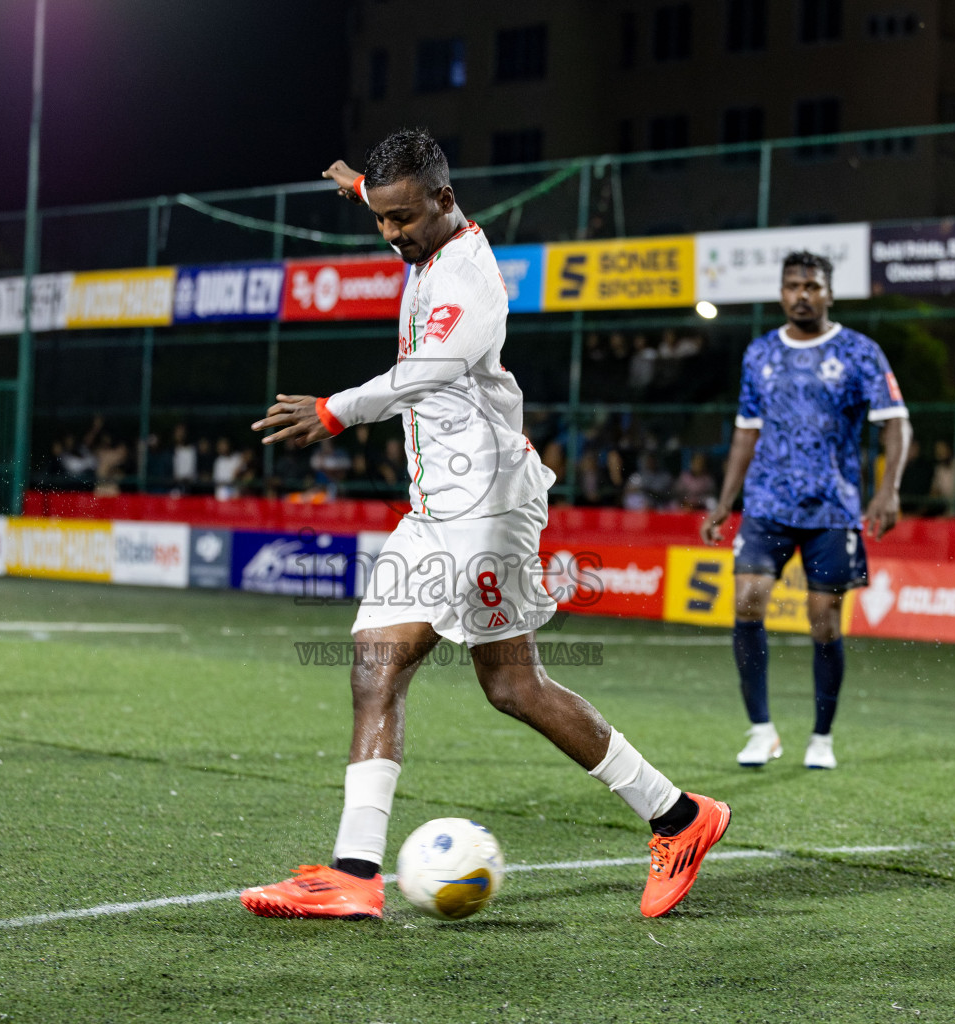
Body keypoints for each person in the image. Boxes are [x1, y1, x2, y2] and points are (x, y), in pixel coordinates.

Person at [240, 128, 731, 922]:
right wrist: (362, 188)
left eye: (403, 218)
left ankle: (677, 818)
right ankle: (358, 874)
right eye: (381, 218)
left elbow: (426, 372)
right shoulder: (420, 228)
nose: (391, 234)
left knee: (476, 678)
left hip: (487, 511)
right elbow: (394, 200)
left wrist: (334, 411)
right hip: (439, 510)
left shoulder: (469, 278)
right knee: (432, 674)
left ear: (445, 199)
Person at [702, 251, 910, 770]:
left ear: (829, 294)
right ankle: (761, 730)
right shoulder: (760, 353)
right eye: (793, 286)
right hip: (767, 503)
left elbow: (895, 421)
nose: (802, 295)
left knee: (824, 622)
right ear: (781, 293)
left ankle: (821, 736)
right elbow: (746, 432)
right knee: (747, 601)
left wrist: (888, 490)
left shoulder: (860, 351)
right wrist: (725, 501)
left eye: (812, 286)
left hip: (832, 509)